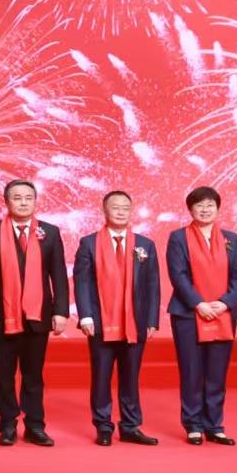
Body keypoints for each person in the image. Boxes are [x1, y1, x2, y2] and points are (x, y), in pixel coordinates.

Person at [0, 180, 70, 447]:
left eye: (28, 198)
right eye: (17, 198)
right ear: (6, 201)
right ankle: (7, 425)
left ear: (35, 201)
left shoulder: (49, 232)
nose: (23, 202)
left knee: (33, 375)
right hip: (3, 316)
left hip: (38, 315)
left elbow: (58, 274)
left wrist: (61, 311)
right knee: (4, 375)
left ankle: (35, 426)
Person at [72, 190, 162, 446]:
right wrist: (86, 316)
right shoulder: (89, 243)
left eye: (126, 207)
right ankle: (103, 426)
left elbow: (153, 284)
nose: (121, 211)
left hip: (135, 321)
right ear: (104, 211)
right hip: (101, 322)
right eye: (115, 207)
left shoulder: (145, 245)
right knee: (101, 376)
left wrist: (152, 320)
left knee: (131, 376)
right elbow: (82, 282)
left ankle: (130, 426)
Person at [166, 185, 237, 446]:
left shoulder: (231, 239)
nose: (205, 209)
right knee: (191, 371)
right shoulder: (178, 238)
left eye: (210, 205)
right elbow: (178, 275)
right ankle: (193, 425)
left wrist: (224, 303)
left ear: (218, 208)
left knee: (216, 373)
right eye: (199, 205)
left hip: (223, 313)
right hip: (188, 314)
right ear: (190, 209)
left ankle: (215, 425)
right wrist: (199, 304)